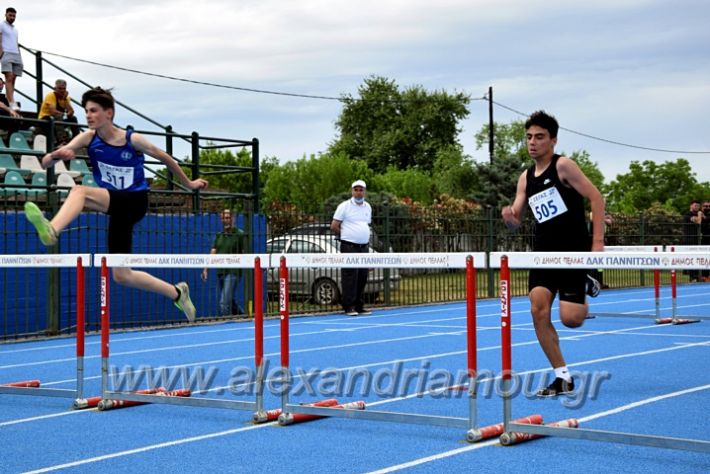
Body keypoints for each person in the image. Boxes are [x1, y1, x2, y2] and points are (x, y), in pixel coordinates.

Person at [23, 87, 208, 323]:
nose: (88, 116)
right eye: (86, 111)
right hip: (116, 207)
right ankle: (177, 292)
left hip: (135, 201)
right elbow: (47, 161)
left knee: (79, 191)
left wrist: (189, 184)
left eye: (94, 111)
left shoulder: (132, 139)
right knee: (122, 275)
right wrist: (59, 154)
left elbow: (166, 158)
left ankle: (52, 230)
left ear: (109, 113)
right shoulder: (89, 138)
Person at [502, 110, 605, 396]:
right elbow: (516, 218)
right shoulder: (525, 178)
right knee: (537, 309)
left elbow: (596, 197)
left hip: (573, 254)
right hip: (544, 255)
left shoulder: (564, 167)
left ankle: (588, 278)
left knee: (571, 319)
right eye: (529, 137)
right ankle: (563, 377)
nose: (533, 142)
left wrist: (597, 244)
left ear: (553, 140)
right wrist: (509, 217)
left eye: (539, 137)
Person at [331, 179, 372, 316]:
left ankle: (359, 305)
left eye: (361, 190)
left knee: (362, 275)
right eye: (356, 190)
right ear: (352, 191)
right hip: (349, 245)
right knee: (350, 275)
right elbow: (334, 226)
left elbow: (366, 224)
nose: (358, 193)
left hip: (363, 246)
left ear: (364, 191)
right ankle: (349, 306)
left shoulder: (367, 207)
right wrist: (347, 236)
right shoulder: (344, 206)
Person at [201, 208, 246, 316]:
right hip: (221, 272)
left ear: (232, 219)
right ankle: (243, 316)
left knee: (224, 303)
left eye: (228, 218)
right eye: (223, 218)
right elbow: (213, 253)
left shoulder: (240, 234)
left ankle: (227, 324)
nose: (226, 220)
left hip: (233, 272)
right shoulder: (219, 236)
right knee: (230, 301)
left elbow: (245, 253)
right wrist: (206, 269)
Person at [39, 79, 81, 143]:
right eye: (59, 88)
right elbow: (53, 112)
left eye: (63, 89)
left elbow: (71, 112)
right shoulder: (51, 95)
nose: (62, 90)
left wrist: (64, 100)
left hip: (59, 120)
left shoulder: (67, 98)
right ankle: (61, 139)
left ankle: (77, 140)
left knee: (73, 118)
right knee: (58, 115)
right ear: (55, 88)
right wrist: (65, 114)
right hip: (46, 119)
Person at [0, 8, 22, 110]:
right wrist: (1, 52)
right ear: (6, 15)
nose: (12, 17)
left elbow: (16, 43)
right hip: (6, 53)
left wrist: (19, 54)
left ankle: (10, 98)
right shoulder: (2, 25)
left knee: (13, 79)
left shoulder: (15, 29)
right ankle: (11, 102)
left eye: (14, 16)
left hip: (16, 54)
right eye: (10, 15)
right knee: (8, 78)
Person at [681, 200, 703, 281]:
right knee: (690, 258)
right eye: (695, 205)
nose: (697, 207)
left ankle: (697, 276)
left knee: (697, 258)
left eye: (698, 206)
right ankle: (692, 277)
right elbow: (698, 221)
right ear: (691, 206)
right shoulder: (688, 215)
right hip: (689, 239)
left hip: (696, 239)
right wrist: (700, 215)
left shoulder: (697, 214)